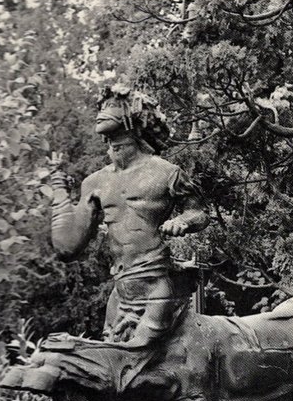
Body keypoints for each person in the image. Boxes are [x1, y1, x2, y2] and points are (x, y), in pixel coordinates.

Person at [46, 86, 208, 350]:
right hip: (119, 295)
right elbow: (67, 246)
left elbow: (199, 212)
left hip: (156, 289)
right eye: (102, 106)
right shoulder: (95, 183)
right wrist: (58, 187)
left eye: (112, 105)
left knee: (138, 360)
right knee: (111, 365)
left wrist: (183, 221)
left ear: (135, 115)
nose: (101, 113)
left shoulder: (166, 173)